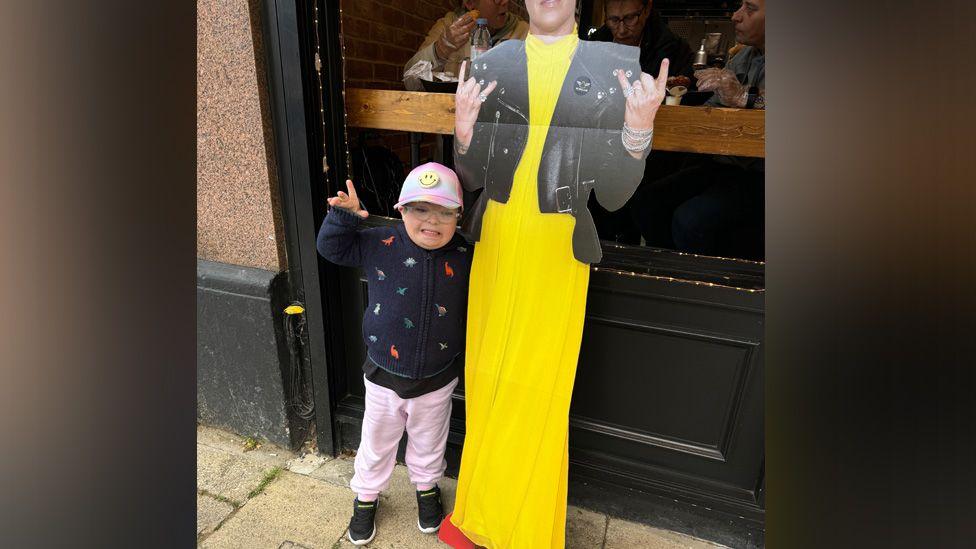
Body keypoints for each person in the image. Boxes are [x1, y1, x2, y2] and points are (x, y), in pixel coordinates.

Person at [438, 0, 668, 546]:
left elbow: (613, 195)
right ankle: (478, 515)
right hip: (496, 238)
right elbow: (470, 176)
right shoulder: (496, 62)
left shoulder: (611, 66)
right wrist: (464, 133)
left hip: (557, 247)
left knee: (540, 388)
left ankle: (527, 531)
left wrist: (638, 130)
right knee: (489, 376)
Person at [316, 163, 473, 546]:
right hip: (384, 372)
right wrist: (344, 217)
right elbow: (332, 248)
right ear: (402, 211)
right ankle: (366, 496)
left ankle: (426, 488)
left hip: (437, 376)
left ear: (458, 216)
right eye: (420, 209)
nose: (431, 221)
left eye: (443, 212)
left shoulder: (468, 255)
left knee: (430, 440)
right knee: (377, 440)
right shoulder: (381, 243)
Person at [633, 0, 765, 258]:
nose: (736, 16)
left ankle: (708, 292)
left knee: (690, 221)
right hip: (727, 166)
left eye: (750, 9)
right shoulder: (744, 56)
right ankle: (668, 279)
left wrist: (743, 97)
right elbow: (713, 107)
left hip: (764, 177)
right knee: (646, 203)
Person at [586, 0, 697, 244]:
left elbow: (681, 99)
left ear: (646, 10)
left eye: (630, 18)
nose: (621, 29)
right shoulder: (594, 44)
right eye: (614, 20)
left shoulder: (670, 48)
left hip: (653, 147)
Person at [403, 0, 529, 90]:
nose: (505, 1)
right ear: (470, 3)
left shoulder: (524, 33)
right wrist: (441, 49)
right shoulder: (447, 26)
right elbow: (411, 82)